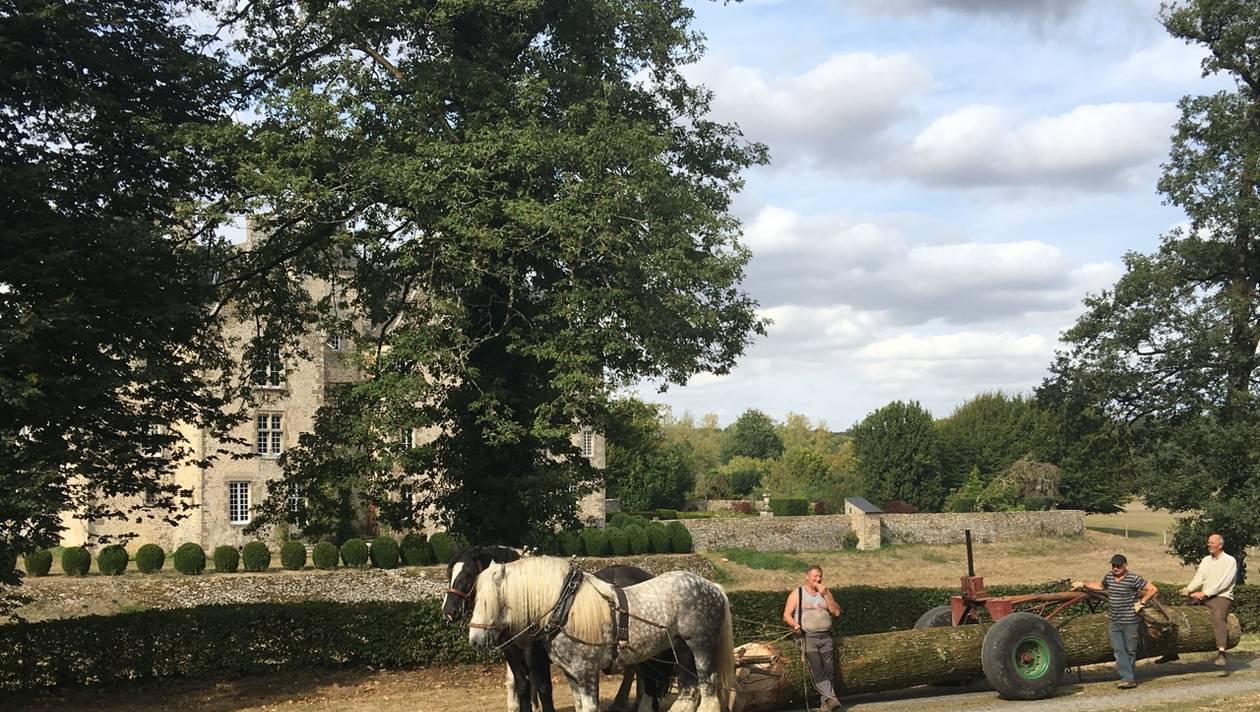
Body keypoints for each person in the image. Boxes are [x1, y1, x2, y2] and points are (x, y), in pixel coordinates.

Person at [1072, 553, 1157, 689]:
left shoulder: (1133, 579)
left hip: (1130, 621)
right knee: (1118, 650)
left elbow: (1152, 589)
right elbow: (1099, 586)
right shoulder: (1109, 577)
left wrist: (1142, 602)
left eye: (1118, 566)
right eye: (1113, 566)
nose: (1115, 568)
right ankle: (1127, 678)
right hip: (1114, 621)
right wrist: (1082, 584)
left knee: (1130, 650)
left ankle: (1128, 677)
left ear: (1125, 565)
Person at [783, 565, 842, 712]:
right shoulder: (798, 593)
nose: (818, 579)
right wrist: (794, 624)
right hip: (807, 637)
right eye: (815, 576)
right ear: (807, 577)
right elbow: (786, 615)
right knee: (817, 669)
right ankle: (833, 701)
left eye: (820, 576)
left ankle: (826, 704)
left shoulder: (825, 593)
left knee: (829, 670)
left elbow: (836, 613)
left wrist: (827, 595)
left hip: (826, 637)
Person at [1179, 533, 1237, 667]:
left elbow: (1224, 583)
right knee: (1181, 614)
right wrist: (1188, 589)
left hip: (1221, 597)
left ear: (1220, 545)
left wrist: (1205, 593)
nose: (1209, 545)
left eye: (1212, 542)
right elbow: (1199, 578)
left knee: (1218, 616)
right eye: (1208, 542)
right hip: (1205, 596)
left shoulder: (1230, 561)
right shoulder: (1206, 560)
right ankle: (1171, 651)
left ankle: (1221, 652)